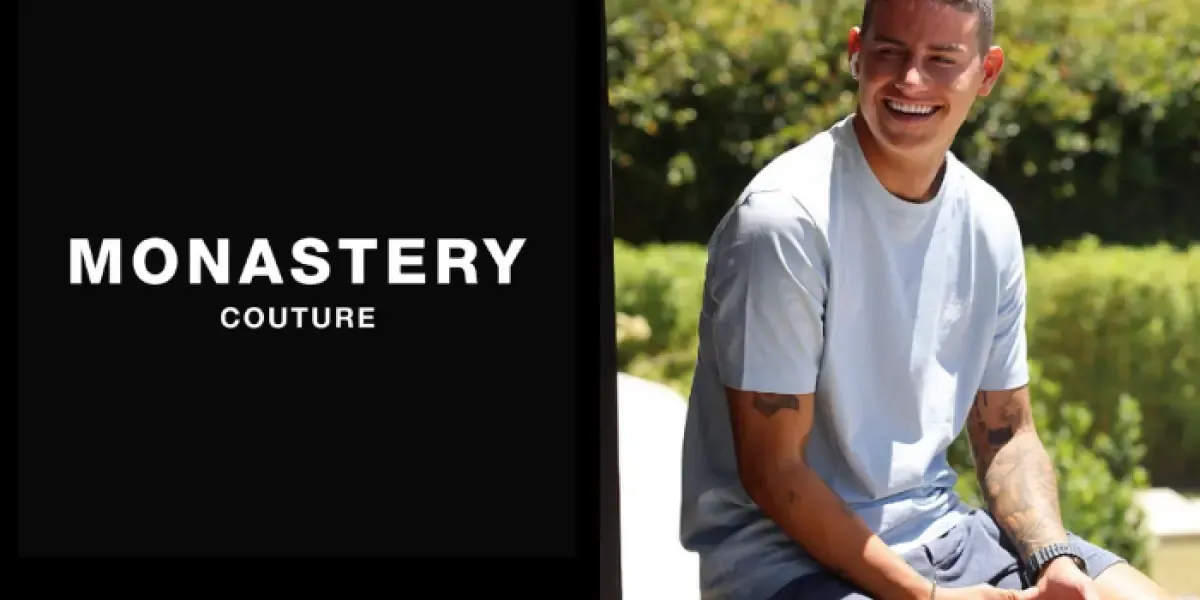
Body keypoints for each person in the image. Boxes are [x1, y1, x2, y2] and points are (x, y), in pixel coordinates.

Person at [677, 1, 1174, 599]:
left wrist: (1051, 557)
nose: (911, 80)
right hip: (785, 566)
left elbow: (1007, 434)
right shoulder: (784, 221)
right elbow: (775, 472)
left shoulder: (988, 221)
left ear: (986, 73)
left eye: (942, 59)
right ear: (856, 53)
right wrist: (928, 599)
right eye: (891, 52)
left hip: (944, 536)